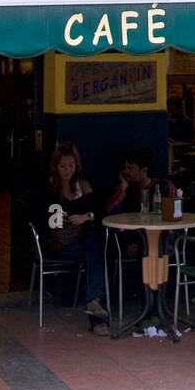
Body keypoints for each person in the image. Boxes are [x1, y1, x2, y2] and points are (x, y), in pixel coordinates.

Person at [45, 142, 109, 334]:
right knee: (95, 250)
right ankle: (95, 305)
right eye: (63, 166)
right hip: (61, 245)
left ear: (76, 165)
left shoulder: (83, 186)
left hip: (82, 244)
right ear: (56, 167)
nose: (67, 171)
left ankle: (95, 309)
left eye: (70, 166)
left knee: (92, 242)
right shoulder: (49, 188)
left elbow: (99, 211)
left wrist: (85, 217)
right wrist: (58, 219)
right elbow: (42, 219)